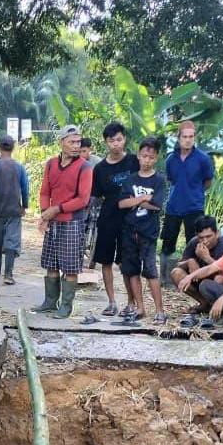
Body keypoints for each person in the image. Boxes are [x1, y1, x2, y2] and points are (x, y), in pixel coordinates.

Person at [32, 125, 93, 319]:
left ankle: (66, 306)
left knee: (70, 267)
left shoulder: (84, 167)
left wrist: (56, 209)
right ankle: (50, 302)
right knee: (51, 264)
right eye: (71, 142)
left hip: (72, 222)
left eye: (78, 142)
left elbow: (83, 199)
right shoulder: (51, 164)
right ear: (61, 142)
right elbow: (45, 192)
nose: (76, 146)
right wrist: (45, 213)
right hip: (53, 221)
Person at [91, 122, 140, 316]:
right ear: (106, 142)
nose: (116, 144)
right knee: (106, 261)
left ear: (124, 139)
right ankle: (111, 302)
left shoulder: (134, 162)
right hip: (107, 219)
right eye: (112, 141)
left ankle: (131, 303)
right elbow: (97, 196)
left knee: (125, 262)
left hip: (130, 220)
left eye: (119, 139)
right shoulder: (100, 168)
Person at [118, 137, 167, 324]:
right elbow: (122, 203)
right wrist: (142, 199)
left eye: (151, 157)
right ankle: (140, 307)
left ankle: (160, 310)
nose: (147, 160)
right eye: (144, 156)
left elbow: (157, 205)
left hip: (148, 232)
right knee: (132, 271)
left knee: (151, 271)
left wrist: (135, 200)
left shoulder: (159, 180)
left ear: (156, 158)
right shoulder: (130, 179)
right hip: (129, 230)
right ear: (138, 155)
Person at [160, 121, 215, 286]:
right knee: (168, 243)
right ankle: (165, 279)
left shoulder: (203, 159)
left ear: (194, 138)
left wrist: (194, 192)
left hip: (194, 207)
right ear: (179, 138)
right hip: (174, 206)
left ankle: (194, 279)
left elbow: (208, 181)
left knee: (195, 242)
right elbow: (171, 180)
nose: (188, 140)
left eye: (191, 136)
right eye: (184, 137)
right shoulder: (171, 159)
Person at [0, 135, 29, 285]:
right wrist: (24, 205)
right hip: (14, 211)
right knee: (11, 242)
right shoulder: (19, 167)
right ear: (13, 148)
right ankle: (8, 274)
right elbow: (25, 189)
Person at [170, 215, 223, 313]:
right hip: (198, 281)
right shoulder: (194, 242)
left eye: (209, 236)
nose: (205, 241)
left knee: (220, 278)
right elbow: (178, 264)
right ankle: (205, 303)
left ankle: (222, 307)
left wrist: (207, 258)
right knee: (176, 273)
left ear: (217, 233)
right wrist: (189, 262)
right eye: (201, 237)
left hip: (215, 283)